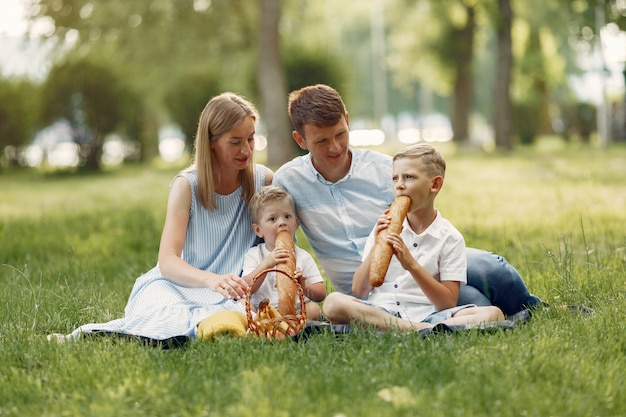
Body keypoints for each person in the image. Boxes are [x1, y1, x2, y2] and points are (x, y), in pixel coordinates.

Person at [273, 84, 540, 317]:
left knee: (490, 268)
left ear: (347, 120)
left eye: (340, 134)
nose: (335, 147)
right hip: (360, 288)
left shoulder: (383, 170)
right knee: (474, 300)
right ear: (300, 140)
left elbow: (424, 221)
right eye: (321, 141)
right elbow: (284, 249)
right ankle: (487, 314)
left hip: (416, 266)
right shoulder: (289, 181)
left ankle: (536, 308)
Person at [49, 92, 273, 343]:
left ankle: (189, 330)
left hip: (233, 292)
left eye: (251, 139)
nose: (246, 149)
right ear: (211, 142)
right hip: (177, 285)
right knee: (166, 310)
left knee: (235, 313)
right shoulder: (186, 186)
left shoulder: (263, 180)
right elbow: (167, 261)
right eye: (235, 142)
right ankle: (103, 334)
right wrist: (211, 280)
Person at [322, 144, 504, 331]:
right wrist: (377, 245)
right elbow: (359, 289)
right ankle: (416, 329)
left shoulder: (450, 237)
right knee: (333, 302)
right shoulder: (383, 227)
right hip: (381, 309)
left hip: (429, 314)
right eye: (395, 178)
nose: (399, 185)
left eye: (409, 177)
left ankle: (402, 328)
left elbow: (447, 303)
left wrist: (411, 264)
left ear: (435, 184)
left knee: (493, 314)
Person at [242, 185, 326, 320]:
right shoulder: (255, 254)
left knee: (314, 309)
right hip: (264, 311)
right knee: (242, 306)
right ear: (258, 230)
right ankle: (273, 326)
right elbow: (247, 289)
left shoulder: (303, 256)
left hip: (296, 309)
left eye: (287, 216)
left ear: (296, 223)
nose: (282, 222)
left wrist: (303, 286)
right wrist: (266, 264)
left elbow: (321, 294)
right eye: (273, 219)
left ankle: (288, 326)